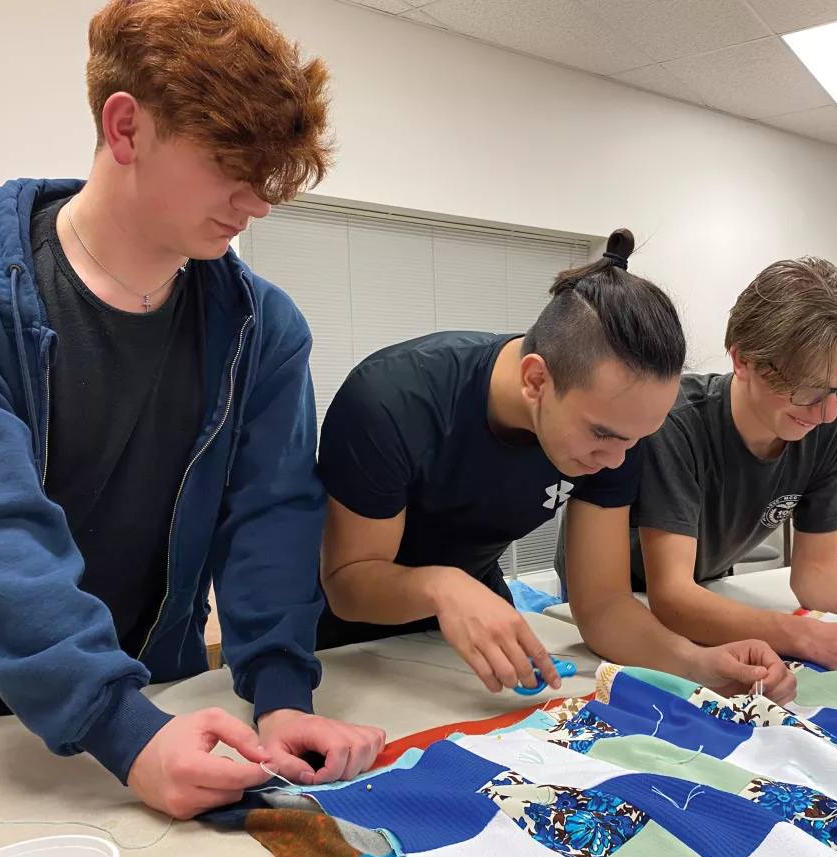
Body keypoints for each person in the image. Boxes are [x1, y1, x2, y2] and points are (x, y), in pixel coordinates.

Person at [0, 0, 383, 820]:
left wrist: (281, 694)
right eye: (230, 163)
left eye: (272, 174)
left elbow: (271, 518)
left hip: (159, 702)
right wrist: (120, 727)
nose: (259, 202)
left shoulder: (262, 330)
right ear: (127, 127)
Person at [316, 231, 797, 705]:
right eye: (603, 435)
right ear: (535, 380)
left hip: (466, 619)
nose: (616, 460)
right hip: (341, 637)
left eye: (637, 439)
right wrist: (443, 586)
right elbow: (348, 583)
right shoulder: (392, 401)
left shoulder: (617, 429)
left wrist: (699, 664)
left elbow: (604, 604)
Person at [620, 257, 837, 672]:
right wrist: (815, 638)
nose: (825, 413)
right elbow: (672, 598)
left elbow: (817, 574)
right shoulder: (676, 422)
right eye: (807, 389)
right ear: (743, 361)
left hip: (707, 587)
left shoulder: (831, 421)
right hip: (619, 604)